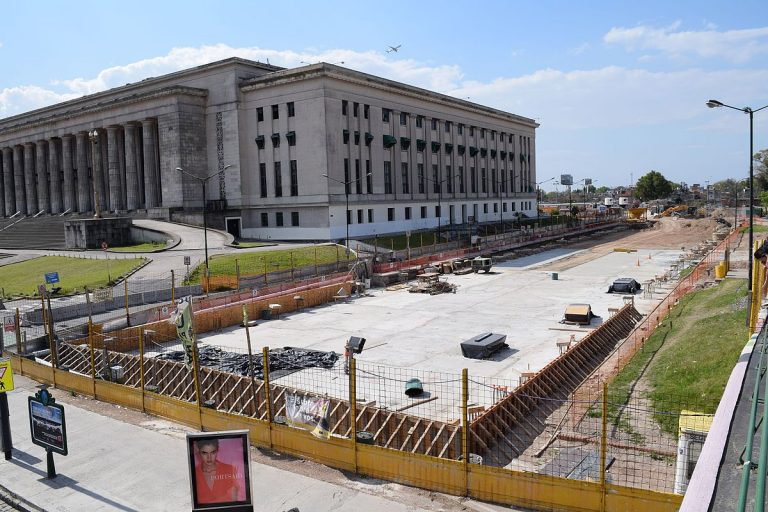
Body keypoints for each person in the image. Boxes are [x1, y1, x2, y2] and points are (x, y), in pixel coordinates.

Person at [194, 438, 242, 504]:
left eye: (213, 452)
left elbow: (234, 501)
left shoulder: (229, 469)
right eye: (204, 453)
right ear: (199, 452)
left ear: (217, 451)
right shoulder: (195, 472)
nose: (209, 457)